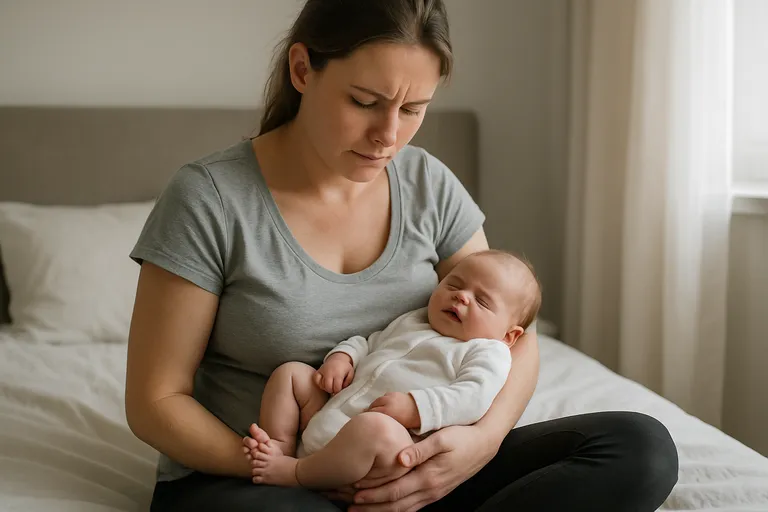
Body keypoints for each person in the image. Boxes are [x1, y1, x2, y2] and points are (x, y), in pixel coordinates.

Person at [125, 0, 679, 510]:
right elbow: (156, 400)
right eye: (364, 102)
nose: (388, 136)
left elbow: (515, 332)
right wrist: (296, 469)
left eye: (414, 109)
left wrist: (473, 448)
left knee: (639, 446)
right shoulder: (210, 198)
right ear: (302, 70)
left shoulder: (427, 184)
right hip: (254, 479)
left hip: (415, 470)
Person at [241, 250, 540, 490]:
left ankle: (296, 473)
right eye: (454, 284)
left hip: (384, 450)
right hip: (333, 412)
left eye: (482, 301)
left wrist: (416, 408)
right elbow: (370, 343)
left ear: (508, 335)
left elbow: (473, 397)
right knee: (292, 374)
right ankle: (280, 444)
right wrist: (343, 357)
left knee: (375, 428)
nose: (461, 296)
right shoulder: (416, 320)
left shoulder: (489, 352)